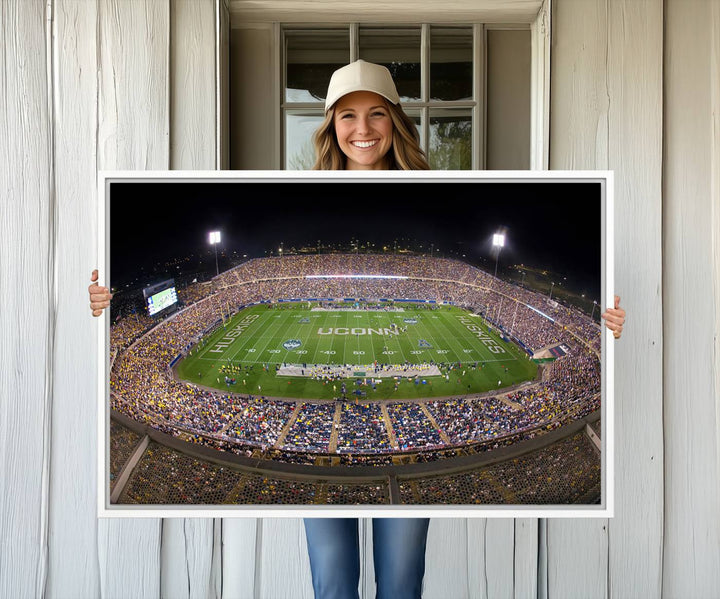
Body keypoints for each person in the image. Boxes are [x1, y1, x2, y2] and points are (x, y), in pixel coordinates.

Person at [88, 59, 627, 599]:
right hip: (327, 488)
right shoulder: (304, 184)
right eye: (347, 116)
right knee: (333, 584)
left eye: (376, 115)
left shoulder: (433, 185)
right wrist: (99, 308)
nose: (362, 129)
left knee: (400, 582)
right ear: (330, 126)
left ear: (396, 120)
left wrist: (608, 326)